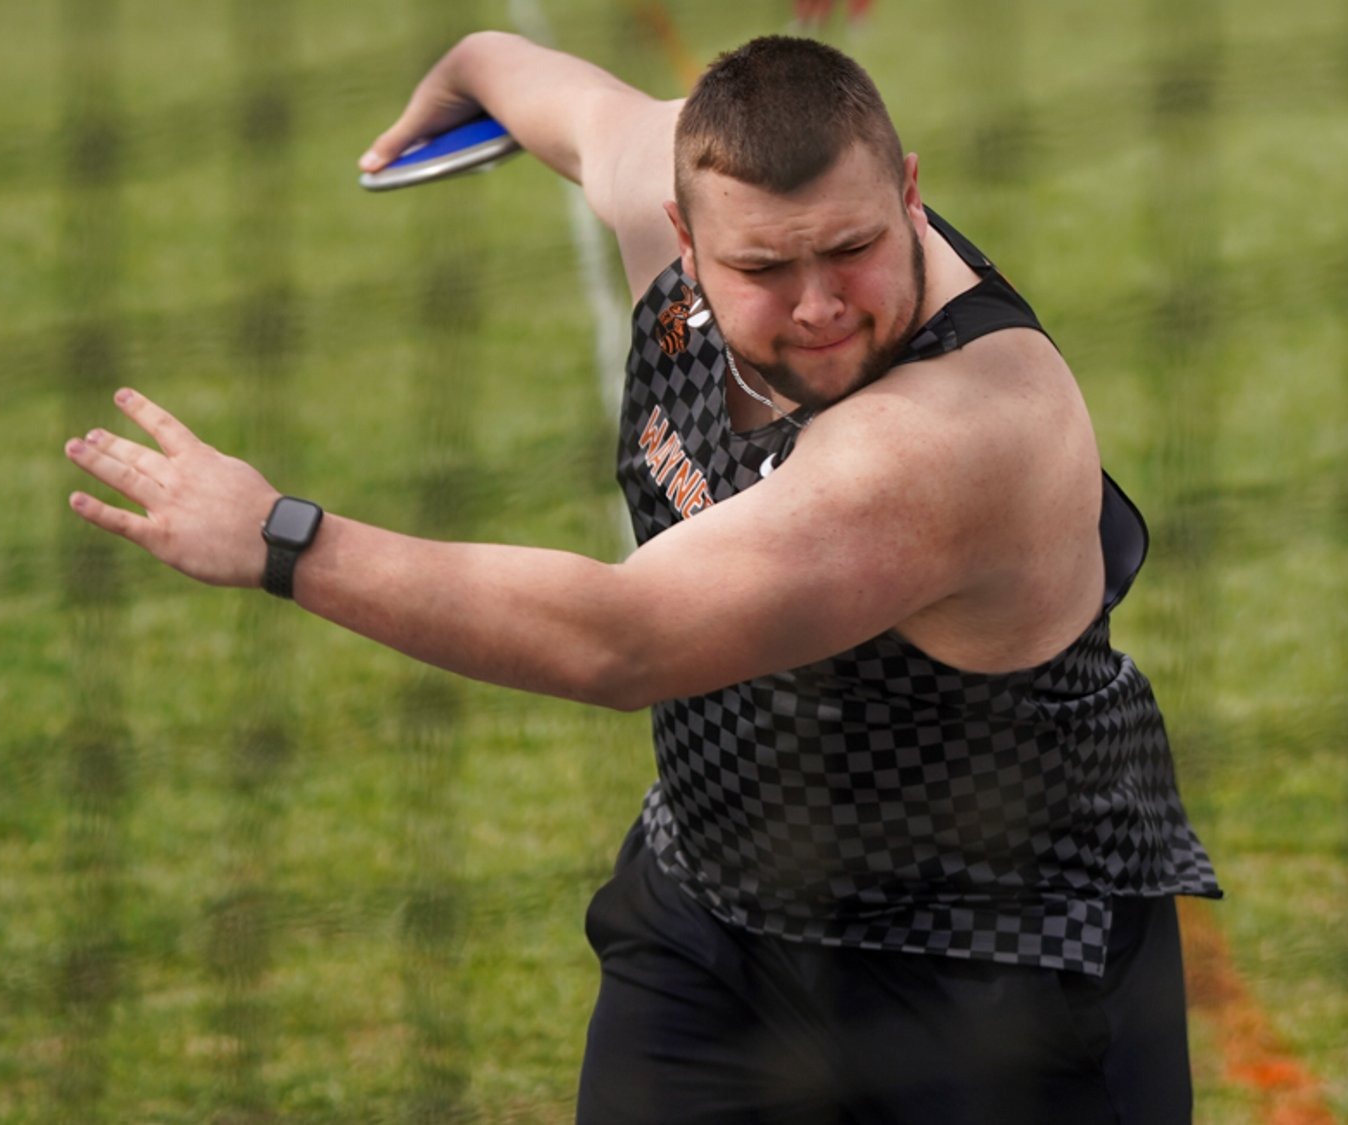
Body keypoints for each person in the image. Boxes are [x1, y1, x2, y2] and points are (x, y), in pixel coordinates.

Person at [65, 31, 1220, 1124]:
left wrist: (280, 538)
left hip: (990, 980)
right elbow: (568, 106)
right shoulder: (660, 185)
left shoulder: (954, 437)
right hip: (716, 913)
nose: (819, 305)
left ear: (908, 193)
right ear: (682, 230)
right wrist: (472, 67)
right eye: (764, 266)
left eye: (855, 248)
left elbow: (620, 641)